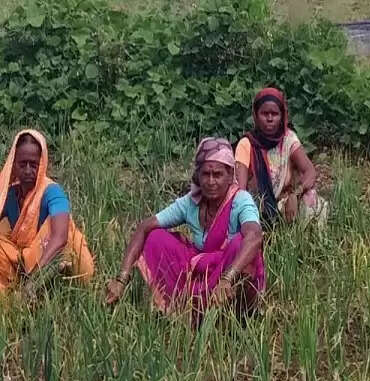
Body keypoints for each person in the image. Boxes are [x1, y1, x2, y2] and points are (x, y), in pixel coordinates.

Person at [105, 138, 265, 317]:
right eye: (206, 174)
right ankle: (183, 308)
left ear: (230, 175)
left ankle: (236, 314)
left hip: (230, 278)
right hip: (202, 275)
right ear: (198, 175)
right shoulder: (192, 201)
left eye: (218, 175)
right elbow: (145, 226)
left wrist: (228, 278)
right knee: (156, 237)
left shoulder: (240, 200)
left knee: (240, 244)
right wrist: (121, 278)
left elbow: (255, 236)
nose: (211, 181)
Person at [0, 129, 94, 294]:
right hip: (28, 260)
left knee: (57, 228)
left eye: (34, 165)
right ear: (13, 164)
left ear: (42, 165)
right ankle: (11, 284)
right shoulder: (9, 195)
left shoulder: (52, 191)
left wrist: (35, 280)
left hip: (64, 261)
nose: (28, 170)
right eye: (22, 164)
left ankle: (38, 289)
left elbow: (60, 238)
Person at [235, 87, 325, 229]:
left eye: (274, 114)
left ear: (282, 116)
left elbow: (310, 171)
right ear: (255, 116)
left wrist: (295, 194)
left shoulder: (288, 139)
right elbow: (240, 191)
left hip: (284, 205)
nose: (270, 118)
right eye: (265, 113)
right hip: (256, 209)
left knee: (312, 197)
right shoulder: (246, 144)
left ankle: (305, 243)